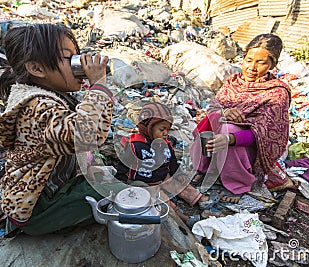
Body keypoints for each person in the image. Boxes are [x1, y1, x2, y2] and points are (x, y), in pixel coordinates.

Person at [0, 23, 121, 235]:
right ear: (37, 69)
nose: (80, 65)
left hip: (50, 187)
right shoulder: (37, 107)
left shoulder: (41, 96)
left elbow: (87, 136)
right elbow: (86, 136)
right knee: (118, 192)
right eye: (69, 59)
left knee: (106, 178)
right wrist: (98, 87)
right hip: (36, 207)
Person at [190, 33, 291, 203]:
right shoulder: (233, 82)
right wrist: (223, 114)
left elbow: (264, 133)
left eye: (261, 62)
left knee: (227, 128)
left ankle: (239, 183)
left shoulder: (277, 93)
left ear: (272, 65)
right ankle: (205, 169)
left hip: (249, 148)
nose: (252, 67)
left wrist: (229, 138)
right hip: (220, 142)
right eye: (249, 59)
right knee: (211, 123)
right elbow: (213, 108)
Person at [115, 102, 222, 227]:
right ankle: (183, 218)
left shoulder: (165, 144)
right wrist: (121, 184)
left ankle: (200, 200)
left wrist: (179, 174)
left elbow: (172, 163)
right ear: (148, 128)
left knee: (180, 184)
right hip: (144, 183)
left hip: (164, 177)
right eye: (162, 129)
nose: (166, 133)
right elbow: (124, 165)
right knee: (161, 199)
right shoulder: (135, 146)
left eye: (168, 129)